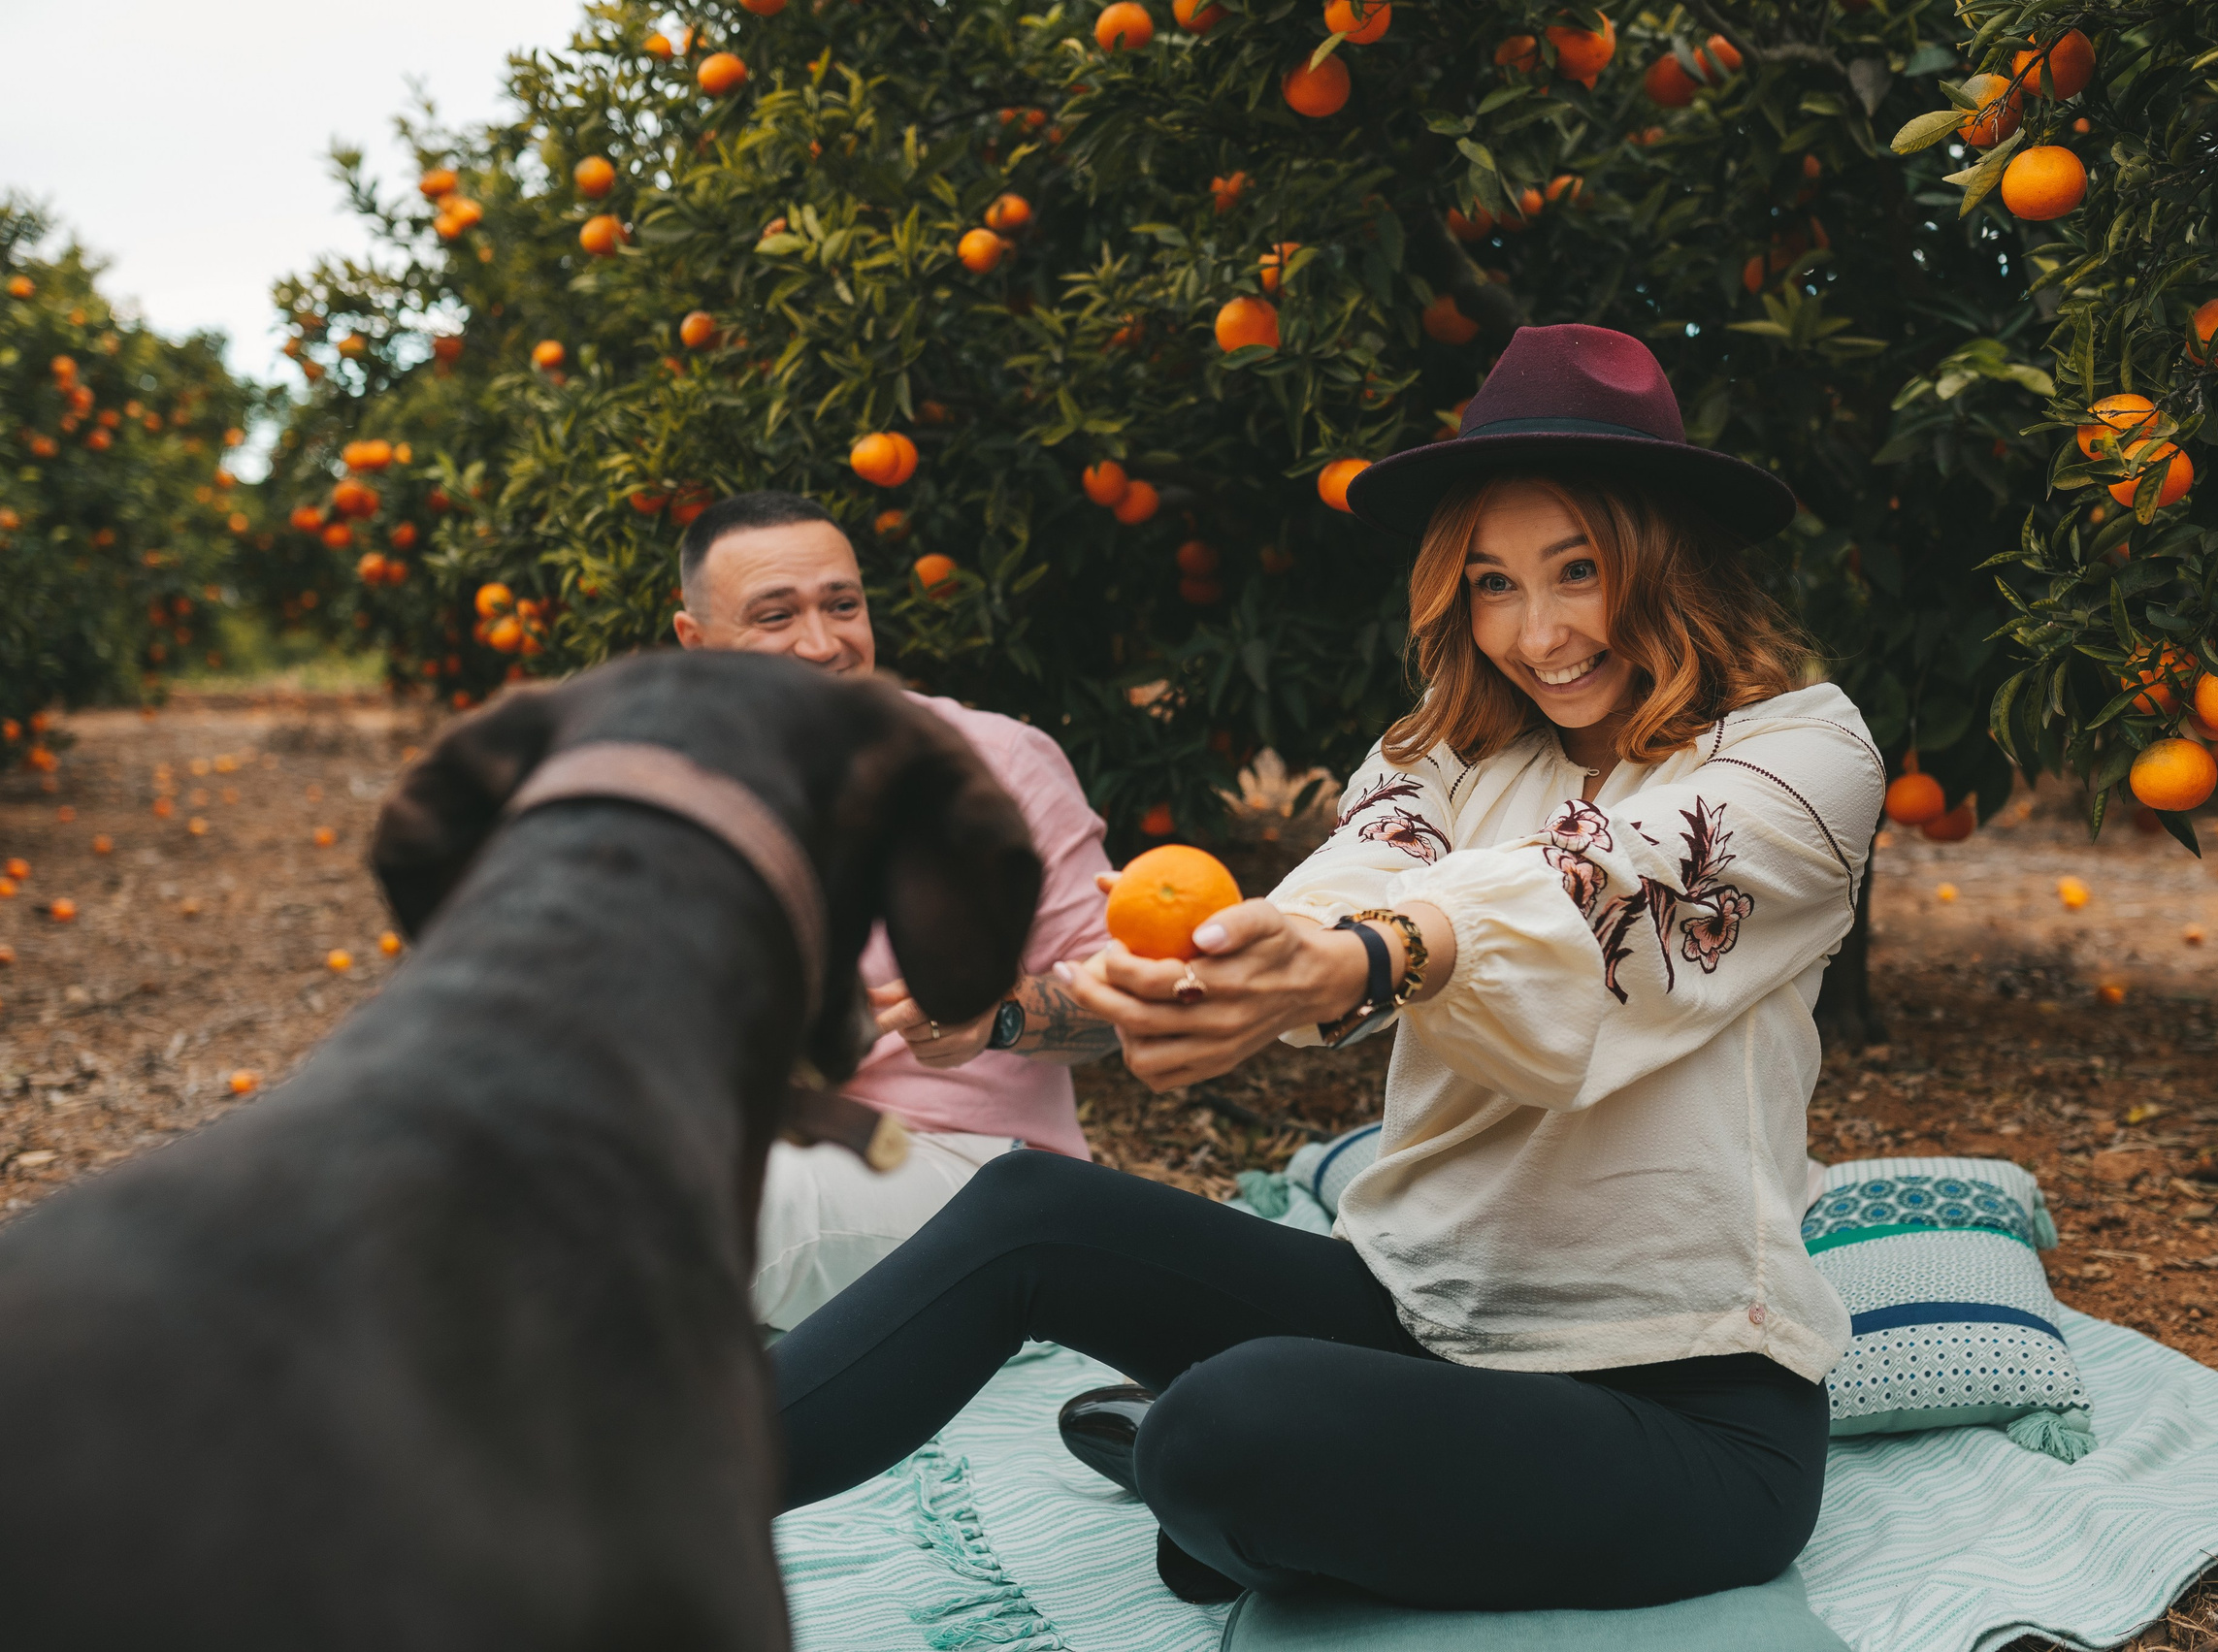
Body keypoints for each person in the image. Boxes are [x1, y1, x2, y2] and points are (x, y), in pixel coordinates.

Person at [767, 326, 1880, 1612]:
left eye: (1579, 570)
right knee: (1033, 1207)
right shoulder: (1445, 758)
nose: (1543, 631)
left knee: (1227, 1425)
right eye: (1493, 583)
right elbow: (1341, 888)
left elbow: (1602, 879)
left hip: (1681, 1403)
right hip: (1415, 1308)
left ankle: (1229, 1474)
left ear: (1667, 560)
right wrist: (1166, 980)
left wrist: (1378, 949)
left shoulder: (1803, 753)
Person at [669, 491, 1121, 1331]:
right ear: (698, 644)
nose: (822, 643)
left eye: (842, 604)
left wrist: (1002, 1016)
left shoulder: (996, 766)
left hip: (976, 1177)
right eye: (775, 616)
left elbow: (1129, 1006)